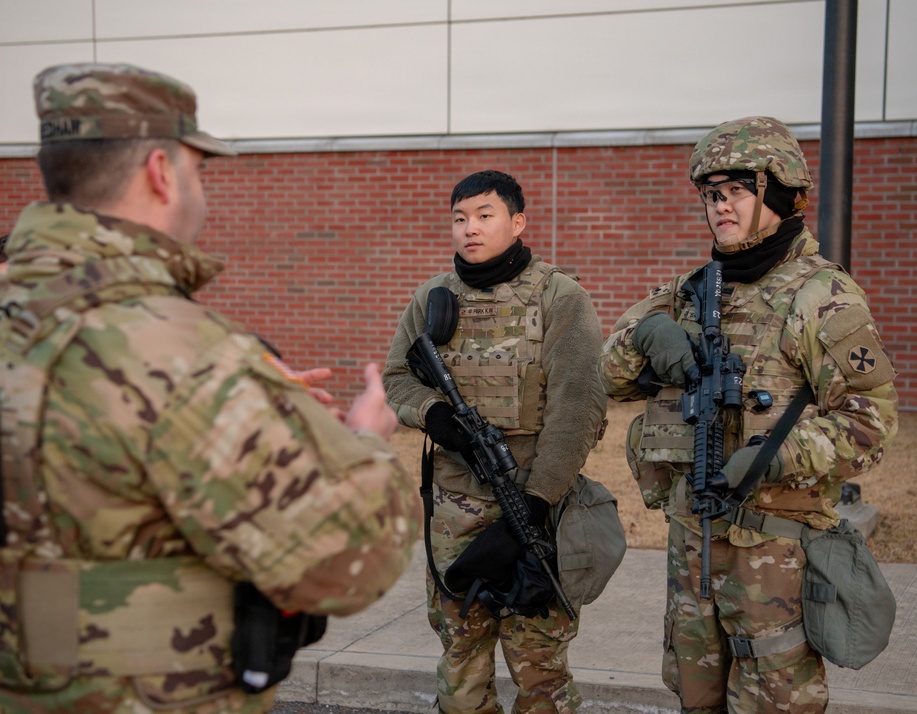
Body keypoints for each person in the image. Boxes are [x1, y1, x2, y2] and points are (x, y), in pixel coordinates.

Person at [0, 62, 421, 713]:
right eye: (200, 171)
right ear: (161, 173)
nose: (202, 190)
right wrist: (366, 440)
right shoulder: (182, 353)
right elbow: (341, 563)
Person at [597, 116, 899, 714]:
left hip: (775, 557)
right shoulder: (689, 291)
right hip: (692, 542)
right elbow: (609, 376)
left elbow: (870, 423)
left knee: (774, 704)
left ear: (778, 193)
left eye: (735, 191)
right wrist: (648, 336)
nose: (719, 207)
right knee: (695, 698)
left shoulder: (820, 296)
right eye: (711, 195)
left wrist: (774, 455)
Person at [382, 170, 608, 713]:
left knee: (541, 674)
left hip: (535, 509)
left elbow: (577, 410)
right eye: (459, 218)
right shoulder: (433, 298)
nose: (469, 229)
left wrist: (533, 506)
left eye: (484, 216)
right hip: (455, 513)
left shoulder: (559, 296)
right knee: (461, 666)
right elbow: (397, 378)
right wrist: (432, 413)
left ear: (517, 222)